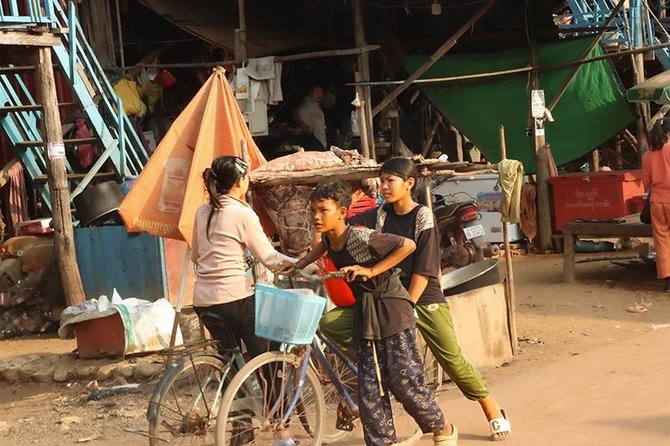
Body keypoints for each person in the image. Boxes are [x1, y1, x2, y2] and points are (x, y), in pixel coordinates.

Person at [321, 157, 512, 441]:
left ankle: (490, 407)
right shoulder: (377, 215)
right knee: (331, 324)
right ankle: (378, 365)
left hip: (421, 298)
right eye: (382, 180)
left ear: (409, 183)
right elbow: (342, 226)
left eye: (390, 181)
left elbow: (424, 269)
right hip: (385, 300)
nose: (384, 186)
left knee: (452, 360)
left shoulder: (422, 217)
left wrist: (407, 306)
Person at [292, 182, 457, 446]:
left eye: (323, 210)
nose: (316, 216)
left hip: (392, 308)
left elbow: (407, 246)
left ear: (343, 212)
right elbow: (322, 247)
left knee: (404, 383)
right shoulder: (329, 237)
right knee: (368, 389)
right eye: (313, 210)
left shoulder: (360, 236)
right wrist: (299, 264)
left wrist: (372, 270)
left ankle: (443, 427)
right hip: (367, 311)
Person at [191, 155, 295, 359]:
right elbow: (270, 258)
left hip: (202, 301)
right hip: (233, 299)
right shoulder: (242, 214)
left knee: (229, 357)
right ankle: (272, 391)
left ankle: (235, 389)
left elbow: (196, 256)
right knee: (268, 349)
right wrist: (302, 264)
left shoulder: (201, 211)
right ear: (240, 181)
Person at [643, 118, 670, 291]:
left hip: (657, 202)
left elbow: (646, 182)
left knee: (661, 241)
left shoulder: (648, 155)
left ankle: (668, 281)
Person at [293, 84, 327, 151]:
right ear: (310, 93)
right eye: (316, 92)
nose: (319, 94)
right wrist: (307, 125)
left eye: (321, 92)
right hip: (314, 137)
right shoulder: (309, 104)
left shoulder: (316, 105)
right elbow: (300, 112)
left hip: (319, 135)